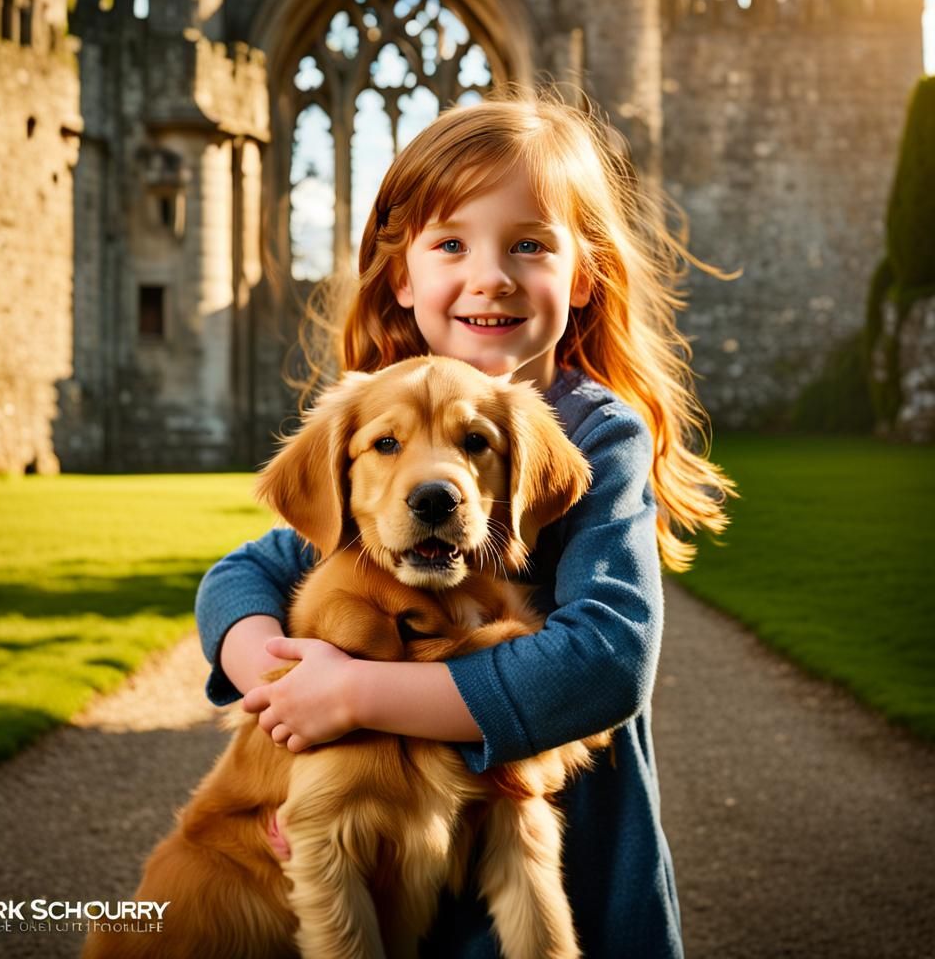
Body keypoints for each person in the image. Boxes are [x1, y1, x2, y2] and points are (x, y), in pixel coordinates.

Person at [195, 92, 734, 958]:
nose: (491, 274)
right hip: (403, 870)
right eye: (451, 244)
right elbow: (243, 573)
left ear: (583, 274)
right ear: (402, 275)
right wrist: (283, 682)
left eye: (530, 243)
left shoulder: (597, 435)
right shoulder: (381, 425)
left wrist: (357, 694)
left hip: (556, 866)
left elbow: (605, 660)